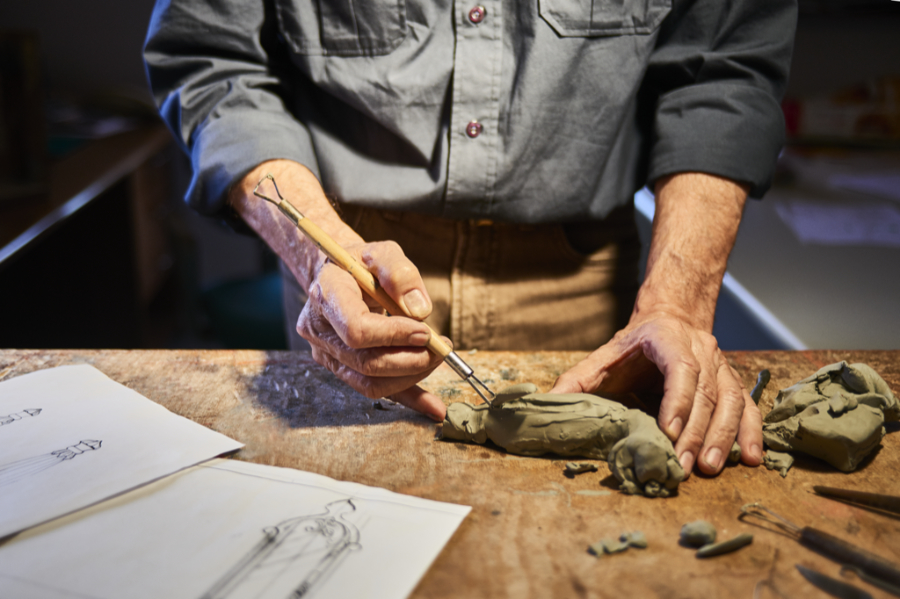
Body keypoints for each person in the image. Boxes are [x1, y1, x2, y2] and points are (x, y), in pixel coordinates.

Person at [144, 0, 797, 477]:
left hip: (584, 278)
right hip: (356, 276)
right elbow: (211, 60)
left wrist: (678, 305)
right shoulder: (339, 266)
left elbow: (724, 71)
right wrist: (317, 252)